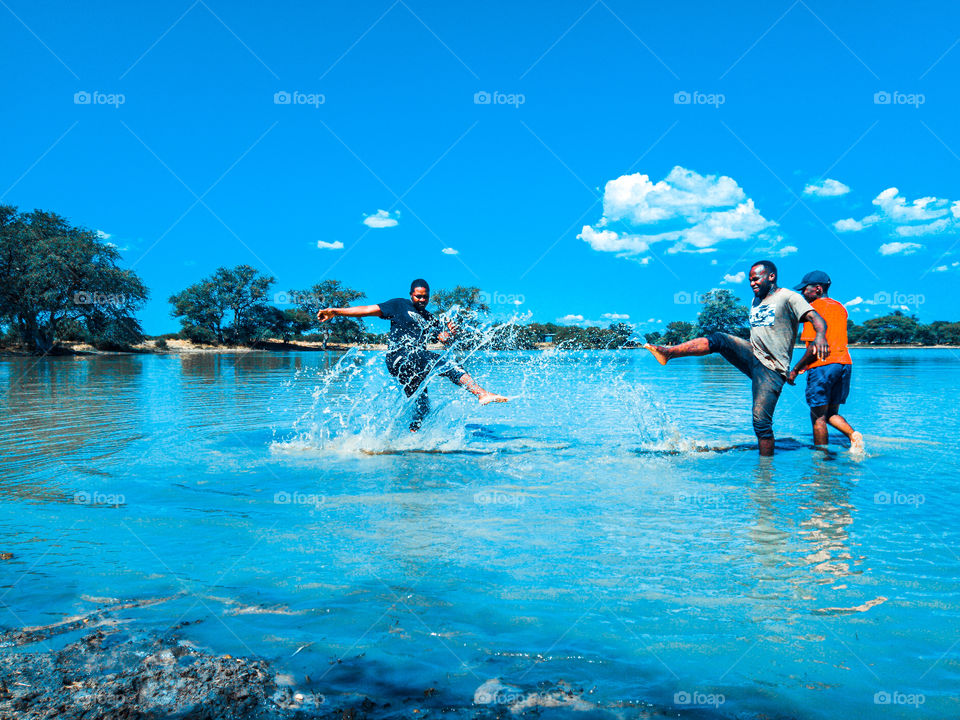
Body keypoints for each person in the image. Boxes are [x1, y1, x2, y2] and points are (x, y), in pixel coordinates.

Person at [643, 260, 829, 456]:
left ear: (771, 277)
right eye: (750, 280)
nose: (752, 283)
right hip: (752, 354)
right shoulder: (755, 300)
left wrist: (820, 335)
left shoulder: (789, 297)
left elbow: (817, 319)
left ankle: (765, 473)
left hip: (772, 369)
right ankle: (668, 353)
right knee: (719, 339)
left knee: (761, 423)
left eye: (756, 279)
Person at [316, 278, 507, 431]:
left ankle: (410, 441)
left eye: (425, 297)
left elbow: (444, 339)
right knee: (447, 363)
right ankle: (482, 394)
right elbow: (367, 310)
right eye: (418, 296)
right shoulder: (399, 305)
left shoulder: (430, 319)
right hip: (400, 357)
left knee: (422, 407)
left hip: (416, 365)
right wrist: (335, 311)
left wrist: (450, 333)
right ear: (411, 295)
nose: (422, 300)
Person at [787, 270, 864, 453]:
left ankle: (821, 459)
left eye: (805, 289)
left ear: (818, 289)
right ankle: (854, 436)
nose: (802, 294)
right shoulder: (840, 308)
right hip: (844, 363)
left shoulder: (812, 310)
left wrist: (796, 368)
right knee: (831, 414)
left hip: (823, 366)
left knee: (818, 417)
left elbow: (814, 346)